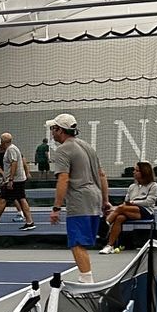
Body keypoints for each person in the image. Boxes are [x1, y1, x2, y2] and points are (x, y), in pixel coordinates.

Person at [45, 113, 108, 284]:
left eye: (53, 129)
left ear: (60, 130)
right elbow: (102, 175)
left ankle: (86, 281)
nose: (52, 132)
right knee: (82, 244)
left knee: (77, 243)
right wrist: (105, 201)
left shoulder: (63, 150)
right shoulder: (87, 147)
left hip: (80, 201)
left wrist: (56, 208)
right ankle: (86, 277)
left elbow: (63, 179)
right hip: (95, 198)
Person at [99, 161, 157, 254]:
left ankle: (105, 224)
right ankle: (109, 245)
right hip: (130, 210)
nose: (134, 172)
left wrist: (132, 203)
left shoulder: (153, 185)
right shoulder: (132, 187)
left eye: (137, 170)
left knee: (120, 208)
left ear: (144, 172)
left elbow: (149, 202)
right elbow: (126, 201)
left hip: (146, 212)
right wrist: (125, 205)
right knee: (119, 218)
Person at [0, 130, 36, 231]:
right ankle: (29, 222)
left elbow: (14, 164)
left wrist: (10, 179)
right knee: (21, 199)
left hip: (15, 180)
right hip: (17, 179)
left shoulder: (11, 150)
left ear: (4, 142)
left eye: (1, 141)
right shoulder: (12, 149)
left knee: (3, 199)